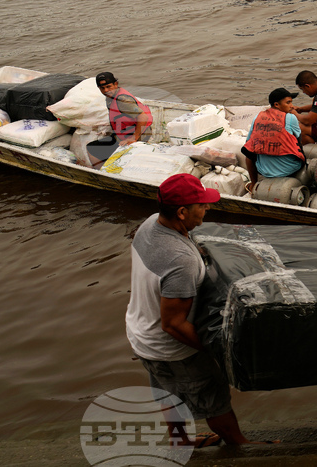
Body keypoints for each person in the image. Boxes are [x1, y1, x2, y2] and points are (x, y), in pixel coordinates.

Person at [125, 174, 262, 447]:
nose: (207, 208)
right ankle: (241, 445)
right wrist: (217, 352)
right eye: (201, 205)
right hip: (173, 349)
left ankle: (182, 442)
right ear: (182, 212)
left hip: (141, 334)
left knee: (168, 395)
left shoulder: (151, 223)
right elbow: (173, 324)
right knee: (213, 398)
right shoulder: (180, 261)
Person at [241, 88, 305, 191]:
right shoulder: (290, 117)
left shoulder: (257, 117)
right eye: (288, 102)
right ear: (276, 105)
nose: (292, 106)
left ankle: (254, 184)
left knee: (249, 155)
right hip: (290, 168)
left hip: (263, 170)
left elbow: (248, 143)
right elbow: (299, 141)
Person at [88, 71, 154, 167]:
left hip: (139, 134)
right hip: (126, 132)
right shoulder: (110, 97)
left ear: (116, 84)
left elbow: (143, 117)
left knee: (92, 149)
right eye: (102, 88)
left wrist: (134, 138)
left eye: (108, 86)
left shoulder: (122, 100)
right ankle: (107, 169)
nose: (106, 90)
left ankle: (102, 173)